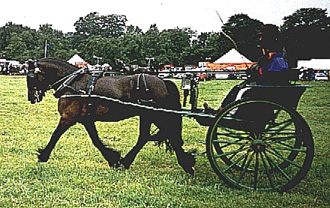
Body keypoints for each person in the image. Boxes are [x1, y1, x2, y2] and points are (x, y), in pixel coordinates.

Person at [204, 24, 289, 114]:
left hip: (267, 91)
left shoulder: (277, 60)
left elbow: (270, 77)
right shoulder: (272, 58)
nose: (260, 40)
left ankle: (226, 112)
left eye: (261, 36)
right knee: (237, 88)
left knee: (244, 90)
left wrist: (257, 73)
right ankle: (221, 110)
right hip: (267, 89)